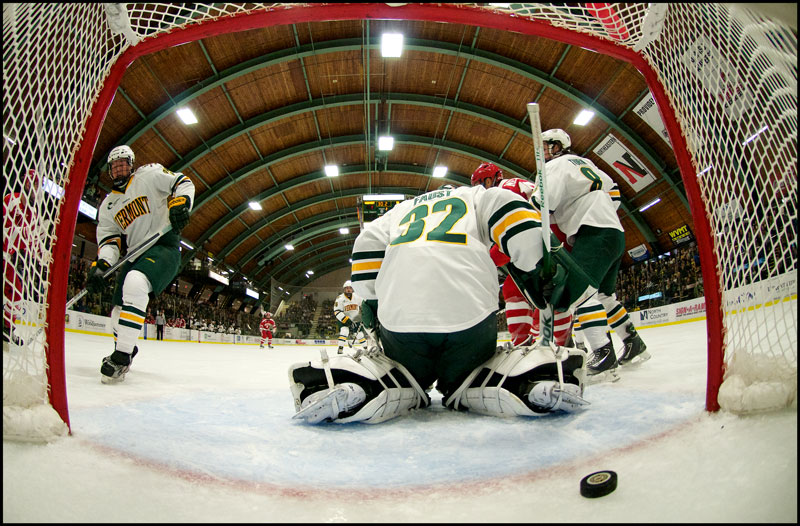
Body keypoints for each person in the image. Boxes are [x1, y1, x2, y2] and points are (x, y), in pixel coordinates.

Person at [289, 183, 598, 425]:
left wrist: (372, 300)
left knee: (406, 376)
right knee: (471, 375)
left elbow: (366, 246)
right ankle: (520, 383)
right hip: (469, 315)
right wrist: (538, 263)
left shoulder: (397, 212)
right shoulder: (476, 196)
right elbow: (512, 211)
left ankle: (371, 385)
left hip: (401, 321)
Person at [535, 128, 649, 381]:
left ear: (557, 147)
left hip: (592, 232)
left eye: (545, 146)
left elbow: (543, 205)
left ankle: (603, 353)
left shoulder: (554, 167)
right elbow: (615, 193)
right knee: (605, 296)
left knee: (580, 292)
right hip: (613, 231)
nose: (541, 152)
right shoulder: (587, 164)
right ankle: (633, 342)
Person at [86, 145, 194, 383]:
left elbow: (183, 182)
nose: (119, 169)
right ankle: (128, 347)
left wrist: (181, 203)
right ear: (109, 171)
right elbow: (110, 241)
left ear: (132, 164)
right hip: (133, 254)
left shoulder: (149, 174)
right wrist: (102, 264)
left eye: (123, 163)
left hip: (163, 244)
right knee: (116, 315)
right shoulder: (107, 207)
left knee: (135, 283)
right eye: (115, 166)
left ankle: (121, 358)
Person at [470, 163, 574, 348]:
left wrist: (482, 260)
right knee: (519, 288)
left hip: (544, 234)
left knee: (523, 289)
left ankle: (526, 342)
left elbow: (515, 228)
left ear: (488, 180)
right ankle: (560, 341)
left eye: (479, 185)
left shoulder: (503, 190)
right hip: (552, 233)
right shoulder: (515, 185)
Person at [332, 280, 367, 354]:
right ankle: (340, 349)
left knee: (360, 334)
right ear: (344, 289)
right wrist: (347, 320)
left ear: (352, 289)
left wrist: (363, 314)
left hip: (356, 319)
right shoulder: (340, 298)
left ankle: (366, 348)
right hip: (344, 319)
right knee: (344, 331)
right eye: (346, 288)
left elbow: (364, 305)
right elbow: (337, 311)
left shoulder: (357, 297)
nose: (348, 289)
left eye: (350, 288)